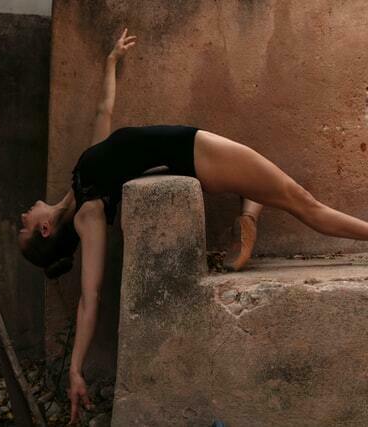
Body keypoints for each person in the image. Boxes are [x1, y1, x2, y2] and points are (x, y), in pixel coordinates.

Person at [18, 28, 368, 423]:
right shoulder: (89, 214)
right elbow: (90, 297)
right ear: (45, 231)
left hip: (196, 149)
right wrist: (75, 369)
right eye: (23, 227)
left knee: (274, 192)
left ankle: (249, 215)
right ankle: (260, 216)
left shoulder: (82, 177)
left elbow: (103, 112)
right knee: (305, 205)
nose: (23, 216)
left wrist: (111, 62)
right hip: (197, 155)